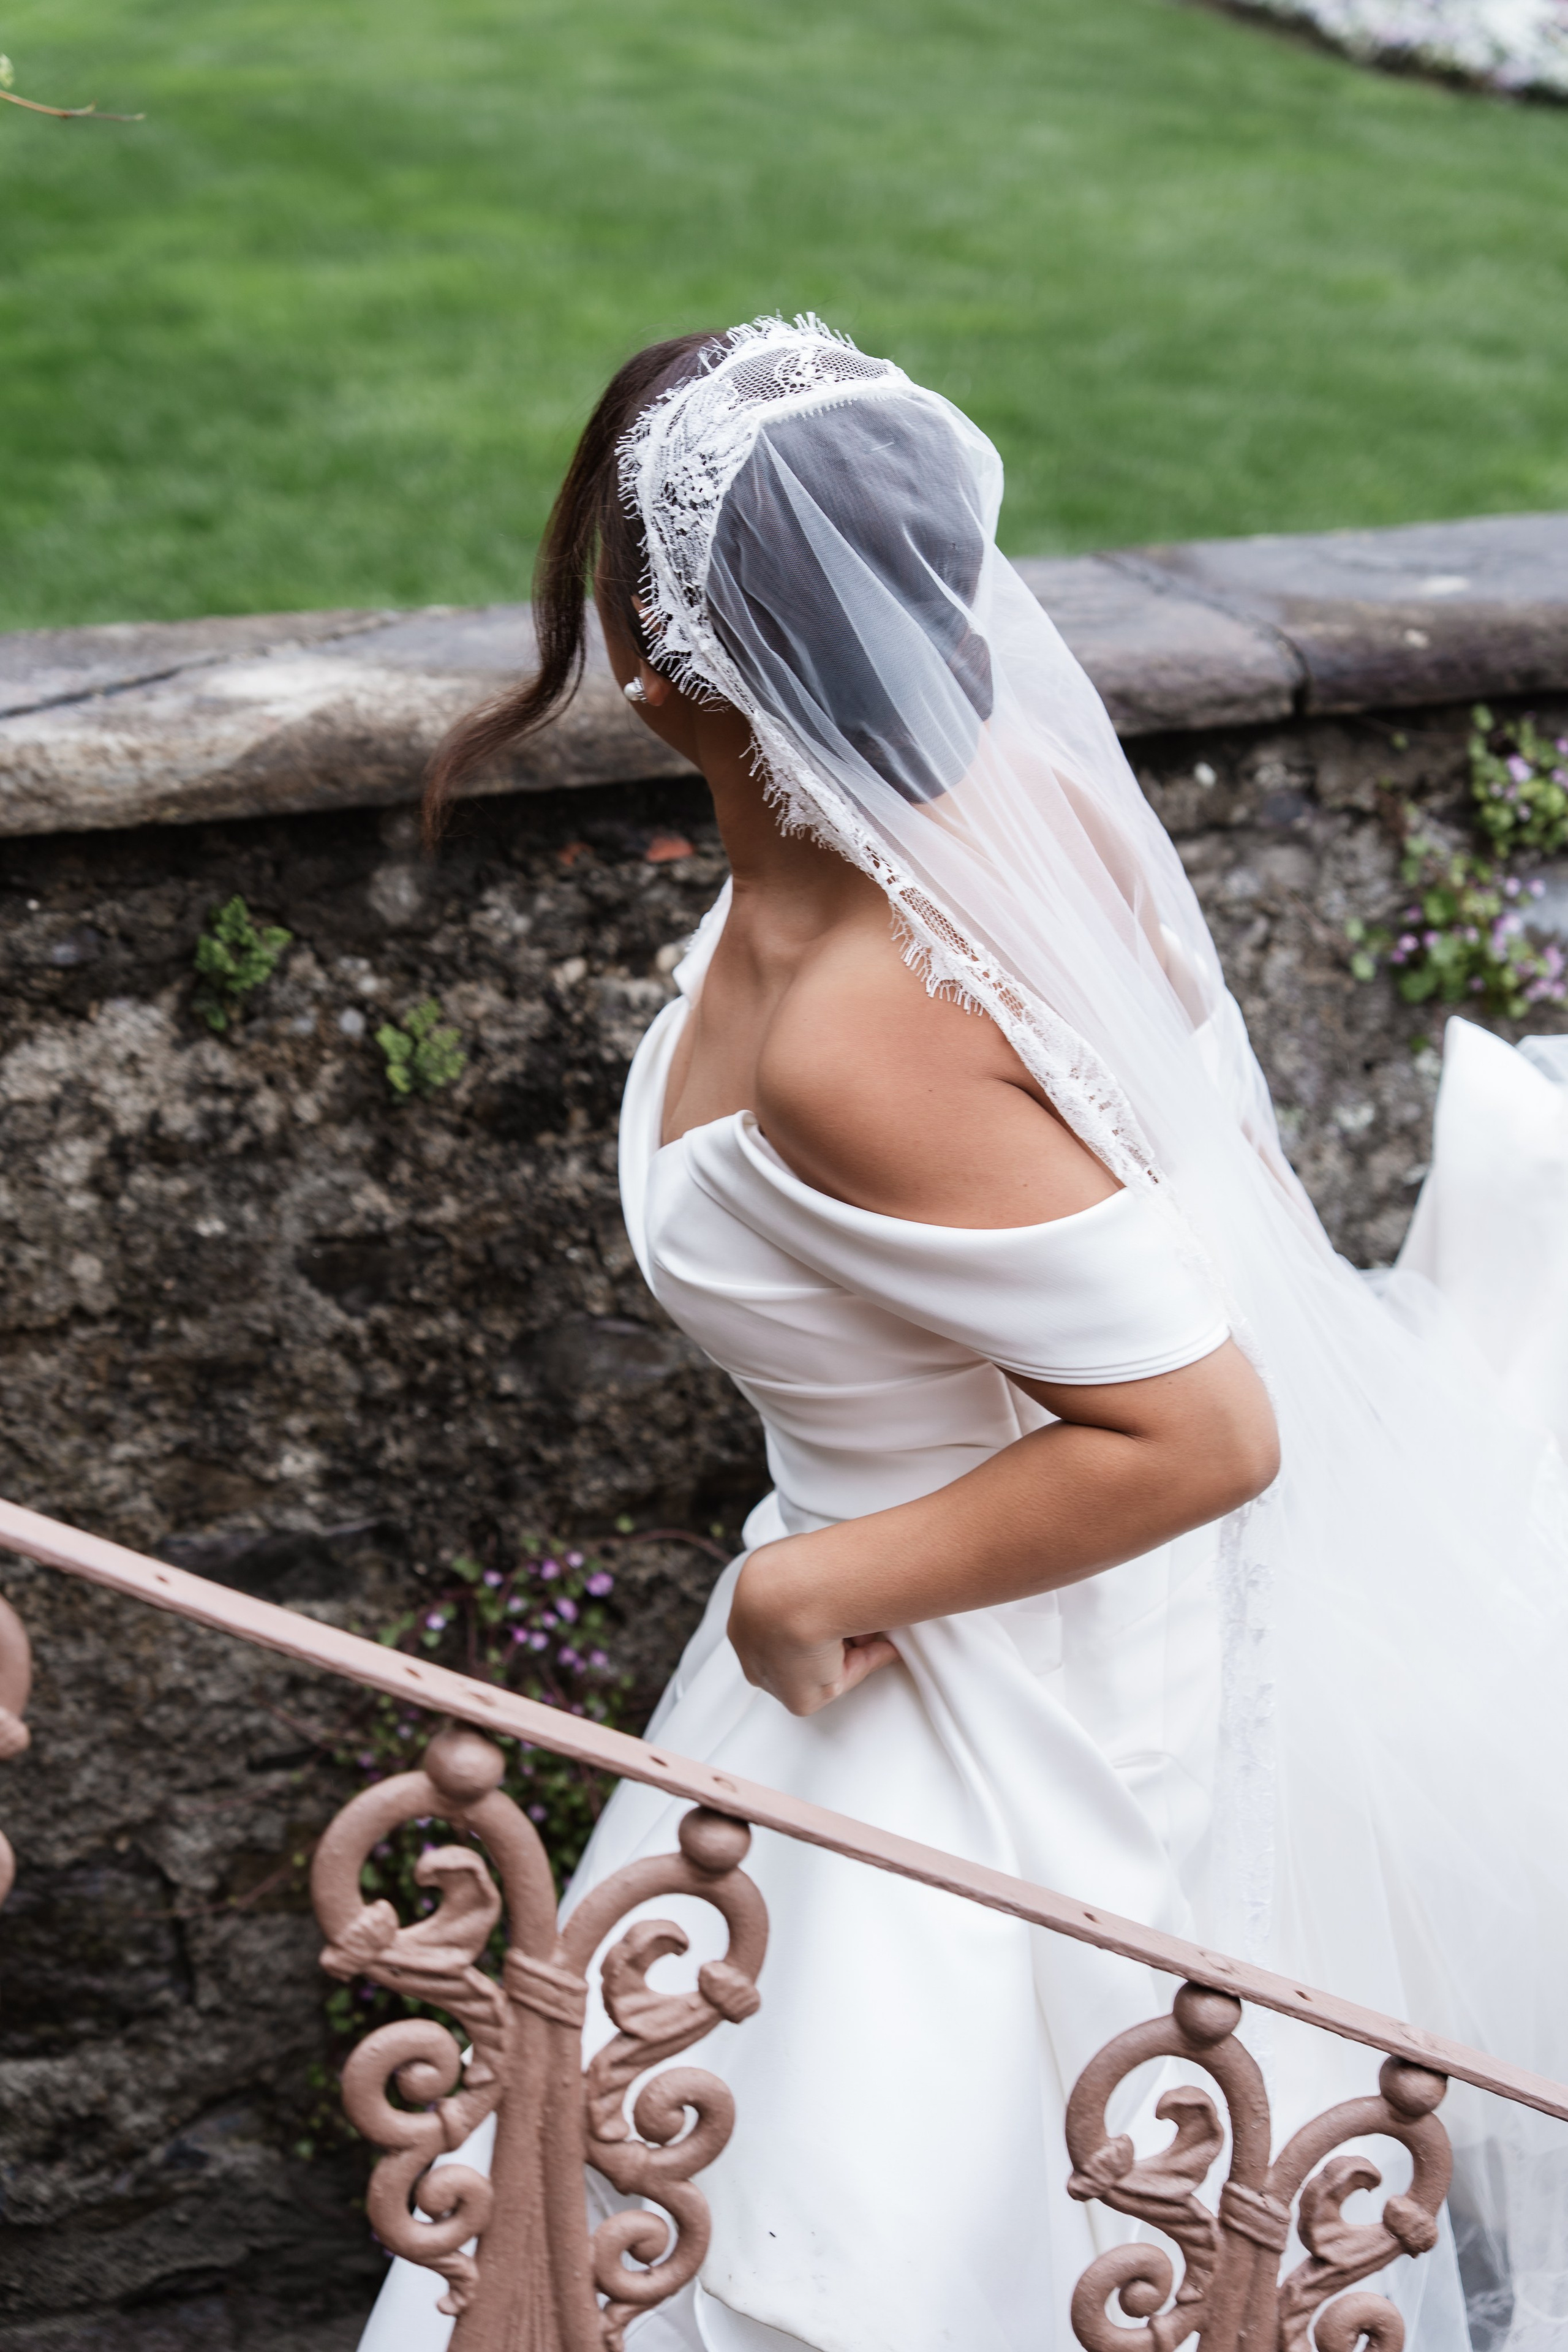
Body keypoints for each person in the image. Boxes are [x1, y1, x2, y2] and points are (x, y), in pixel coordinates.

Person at [361, 317, 1568, 2352]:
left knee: (879, 2208)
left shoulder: (861, 1030)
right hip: (911, 1643)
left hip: (972, 1709)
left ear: (656, 670)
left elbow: (1200, 1429)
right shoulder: (956, 808)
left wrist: (820, 1575)